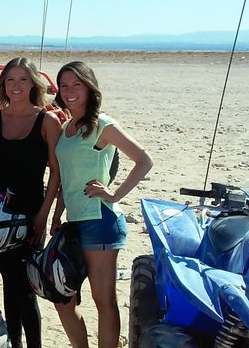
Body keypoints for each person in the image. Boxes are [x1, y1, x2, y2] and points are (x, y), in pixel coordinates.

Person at [49, 61, 153, 348]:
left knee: (102, 298)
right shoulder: (66, 126)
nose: (69, 91)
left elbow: (144, 160)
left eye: (76, 85)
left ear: (89, 87)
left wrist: (114, 195)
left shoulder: (102, 125)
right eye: (64, 86)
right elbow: (64, 177)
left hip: (100, 221)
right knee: (63, 297)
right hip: (73, 223)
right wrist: (57, 215)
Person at [0, 57, 61, 348]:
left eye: (23, 80)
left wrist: (43, 214)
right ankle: (15, 343)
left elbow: (56, 172)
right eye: (10, 80)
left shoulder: (47, 121)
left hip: (31, 211)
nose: (16, 86)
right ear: (3, 84)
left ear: (33, 83)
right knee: (8, 283)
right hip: (2, 212)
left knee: (26, 285)